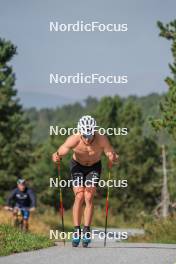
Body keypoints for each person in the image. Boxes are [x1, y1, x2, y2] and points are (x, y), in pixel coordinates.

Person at [52, 115, 118, 247]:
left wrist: (113, 158)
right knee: (79, 195)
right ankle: (77, 230)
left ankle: (86, 229)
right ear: (80, 131)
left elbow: (111, 153)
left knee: (88, 196)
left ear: (94, 131)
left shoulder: (101, 138)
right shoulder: (74, 139)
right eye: (85, 135)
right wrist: (56, 157)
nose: (87, 139)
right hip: (77, 166)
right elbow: (59, 152)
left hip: (94, 167)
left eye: (90, 135)